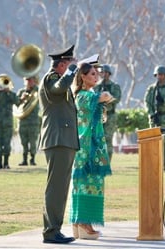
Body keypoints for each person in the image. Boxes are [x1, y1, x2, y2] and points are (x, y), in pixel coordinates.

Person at [38, 45, 79, 244]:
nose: (74, 67)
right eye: (71, 64)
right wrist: (71, 72)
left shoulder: (62, 79)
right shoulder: (51, 78)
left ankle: (55, 229)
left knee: (61, 188)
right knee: (56, 188)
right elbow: (58, 89)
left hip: (64, 139)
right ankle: (50, 231)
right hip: (58, 139)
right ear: (62, 64)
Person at [70, 62, 113, 240]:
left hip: (91, 147)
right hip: (86, 148)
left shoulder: (89, 95)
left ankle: (81, 223)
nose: (96, 76)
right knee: (85, 183)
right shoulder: (82, 95)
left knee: (91, 184)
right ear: (83, 77)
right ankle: (82, 222)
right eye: (93, 74)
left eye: (97, 74)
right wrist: (102, 97)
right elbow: (105, 96)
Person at [144, 65, 165, 171]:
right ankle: (155, 163)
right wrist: (151, 114)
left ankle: (163, 164)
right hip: (155, 117)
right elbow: (147, 102)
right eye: (158, 74)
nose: (160, 76)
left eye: (162, 75)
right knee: (153, 141)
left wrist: (164, 101)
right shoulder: (151, 89)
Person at [93, 64, 121, 162]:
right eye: (102, 72)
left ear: (109, 74)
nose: (103, 74)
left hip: (110, 115)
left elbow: (116, 99)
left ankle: (107, 161)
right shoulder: (96, 86)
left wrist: (107, 98)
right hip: (99, 115)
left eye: (105, 72)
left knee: (108, 139)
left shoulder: (114, 86)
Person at [0, 74, 19, 170]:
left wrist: (9, 92)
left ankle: (6, 163)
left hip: (7, 122)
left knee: (7, 144)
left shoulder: (11, 94)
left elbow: (17, 102)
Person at [16, 76, 40, 166]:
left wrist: (35, 87)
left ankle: (32, 159)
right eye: (27, 80)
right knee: (23, 142)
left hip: (33, 121)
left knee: (33, 141)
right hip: (23, 121)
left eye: (30, 80)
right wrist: (22, 98)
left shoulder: (37, 91)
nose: (29, 82)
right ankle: (24, 159)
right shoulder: (21, 92)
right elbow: (15, 104)